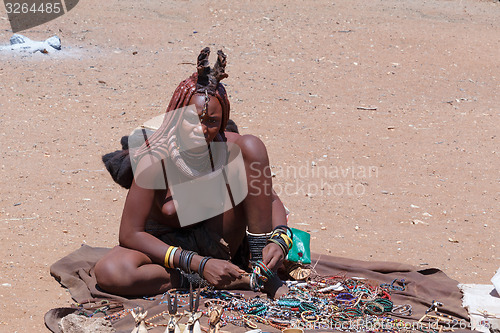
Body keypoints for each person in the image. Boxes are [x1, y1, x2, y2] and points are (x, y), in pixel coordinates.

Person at [95, 47, 291, 298]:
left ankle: (261, 273)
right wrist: (198, 264)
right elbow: (130, 233)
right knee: (111, 271)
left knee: (252, 146)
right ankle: (200, 280)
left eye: (211, 121)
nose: (201, 129)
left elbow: (269, 199)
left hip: (220, 242)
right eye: (192, 119)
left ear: (222, 121)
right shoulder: (155, 158)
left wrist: (280, 238)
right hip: (167, 250)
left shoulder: (232, 150)